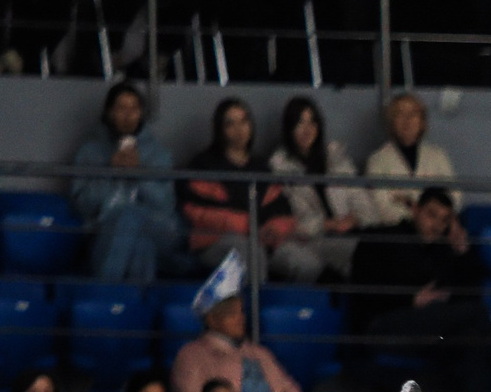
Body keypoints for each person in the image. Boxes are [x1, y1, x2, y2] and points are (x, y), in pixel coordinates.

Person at [350, 188, 491, 392]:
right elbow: (363, 289)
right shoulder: (383, 238)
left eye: (444, 220)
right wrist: (411, 299)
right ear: (416, 211)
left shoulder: (442, 251)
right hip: (384, 324)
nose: (437, 225)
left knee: (472, 338)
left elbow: (470, 295)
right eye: (431, 215)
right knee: (476, 314)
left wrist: (462, 250)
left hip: (428, 329)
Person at [171, 255, 306, 392]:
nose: (240, 319)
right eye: (232, 314)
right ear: (212, 320)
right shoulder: (191, 355)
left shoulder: (259, 352)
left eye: (241, 312)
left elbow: (290, 390)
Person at [70, 82, 183, 283]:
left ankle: (104, 292)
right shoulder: (90, 151)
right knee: (140, 245)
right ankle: (133, 301)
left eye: (134, 109)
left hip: (156, 228)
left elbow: (165, 205)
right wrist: (110, 172)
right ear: (109, 112)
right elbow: (83, 205)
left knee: (130, 216)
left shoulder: (158, 153)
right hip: (104, 231)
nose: (128, 115)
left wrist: (138, 174)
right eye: (121, 108)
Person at [176, 97, 293, 270]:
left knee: (302, 260)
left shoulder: (261, 168)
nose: (240, 129)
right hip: (214, 242)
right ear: (220, 129)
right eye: (231, 124)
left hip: (263, 240)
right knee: (250, 253)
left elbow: (282, 210)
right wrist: (249, 227)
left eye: (244, 121)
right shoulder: (204, 166)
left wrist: (274, 229)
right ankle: (254, 289)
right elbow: (197, 211)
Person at [265, 95, 371, 282]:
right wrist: (327, 224)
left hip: (350, 232)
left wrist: (355, 219)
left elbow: (361, 199)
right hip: (311, 240)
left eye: (312, 122)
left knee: (382, 246)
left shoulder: (336, 156)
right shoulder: (278, 167)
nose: (307, 129)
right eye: (300, 123)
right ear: (289, 128)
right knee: (365, 254)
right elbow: (289, 221)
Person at [360, 92, 459, 227]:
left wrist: (435, 218)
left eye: (413, 114)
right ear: (391, 122)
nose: (407, 120)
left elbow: (454, 196)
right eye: (400, 114)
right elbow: (380, 205)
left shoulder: (438, 156)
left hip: (438, 229)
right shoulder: (377, 160)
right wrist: (417, 218)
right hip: (397, 229)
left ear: (422, 121)